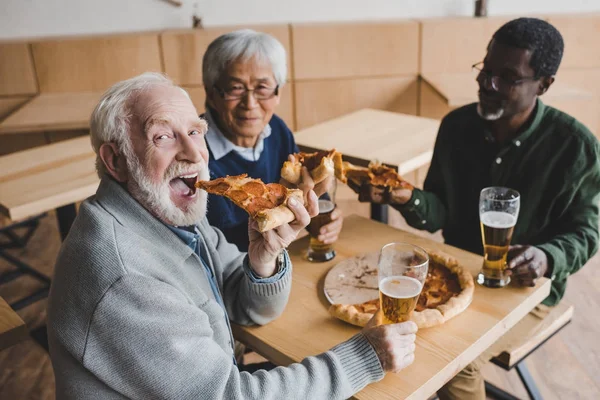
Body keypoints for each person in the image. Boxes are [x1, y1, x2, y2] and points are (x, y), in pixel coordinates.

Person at [47, 72, 418, 399]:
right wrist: (363, 358)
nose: (194, 153)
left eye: (195, 131)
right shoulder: (124, 275)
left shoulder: (170, 214)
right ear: (116, 161)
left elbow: (249, 309)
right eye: (163, 136)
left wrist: (264, 260)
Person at [350, 18, 600, 399]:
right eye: (485, 70)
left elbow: (587, 232)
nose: (488, 84)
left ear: (544, 85)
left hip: (526, 291)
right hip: (454, 275)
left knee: (456, 363)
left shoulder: (575, 146)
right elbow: (440, 213)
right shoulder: (455, 126)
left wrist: (546, 256)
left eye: (508, 77)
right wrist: (408, 198)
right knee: (372, 334)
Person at [200, 29, 343, 252]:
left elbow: (302, 192)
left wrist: (321, 217)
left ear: (277, 93)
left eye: (262, 88)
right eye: (235, 88)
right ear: (211, 93)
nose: (250, 103)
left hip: (277, 263)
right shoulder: (192, 153)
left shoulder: (276, 130)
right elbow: (210, 248)